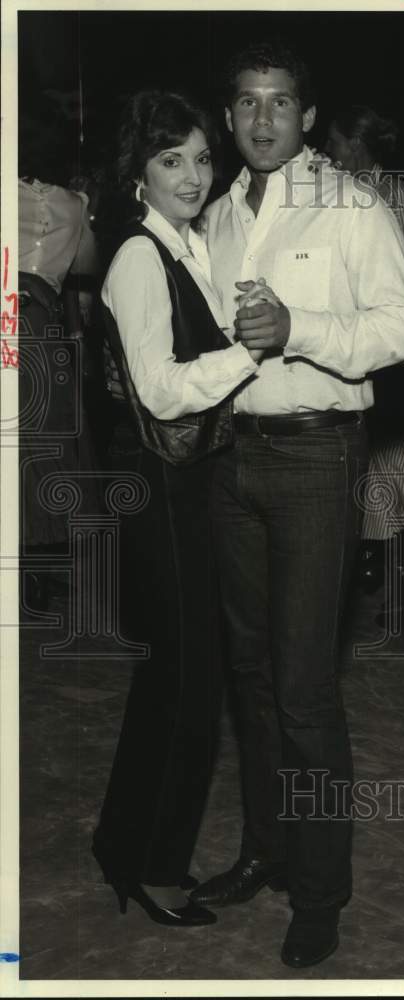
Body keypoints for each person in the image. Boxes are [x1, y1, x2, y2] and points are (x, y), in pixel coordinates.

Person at [188, 41, 404, 968]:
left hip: (318, 457)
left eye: (278, 103)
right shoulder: (211, 216)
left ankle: (321, 888)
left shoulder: (352, 208)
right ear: (228, 114)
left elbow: (403, 328)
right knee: (248, 678)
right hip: (229, 459)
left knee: (303, 690)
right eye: (244, 103)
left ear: (308, 116)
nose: (260, 120)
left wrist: (301, 330)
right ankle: (266, 848)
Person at [92, 90, 264, 926]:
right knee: (193, 678)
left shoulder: (182, 243)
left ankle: (122, 847)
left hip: (187, 481)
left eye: (201, 157)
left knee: (172, 673)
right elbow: (160, 393)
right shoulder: (137, 256)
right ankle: (154, 866)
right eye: (171, 160)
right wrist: (246, 354)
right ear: (139, 173)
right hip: (163, 483)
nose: (192, 175)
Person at [325, 106, 404, 616]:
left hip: (387, 350)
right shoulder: (342, 194)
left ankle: (397, 573)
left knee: (394, 461)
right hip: (354, 346)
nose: (330, 151)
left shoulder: (390, 198)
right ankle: (371, 562)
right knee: (374, 459)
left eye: (337, 142)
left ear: (358, 147)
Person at [18, 97, 99, 612]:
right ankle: (35, 571)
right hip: (44, 327)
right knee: (43, 447)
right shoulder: (75, 205)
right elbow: (88, 266)